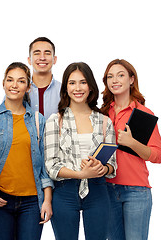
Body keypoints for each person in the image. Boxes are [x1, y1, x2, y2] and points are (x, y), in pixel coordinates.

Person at [44, 62, 117, 240]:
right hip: (65, 191)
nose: (78, 88)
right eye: (72, 83)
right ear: (65, 88)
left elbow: (113, 165)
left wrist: (102, 168)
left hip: (98, 191)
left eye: (83, 82)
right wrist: (81, 173)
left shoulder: (104, 121)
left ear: (91, 87)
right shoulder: (55, 121)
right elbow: (51, 166)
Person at [0, 62, 53, 240]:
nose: (14, 85)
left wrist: (47, 200)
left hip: (32, 202)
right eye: (10, 80)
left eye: (21, 81)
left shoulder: (38, 120)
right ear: (3, 83)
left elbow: (45, 166)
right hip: (0, 199)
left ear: (28, 87)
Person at [101, 59, 161, 240]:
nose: (115, 80)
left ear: (131, 79)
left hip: (136, 191)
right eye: (110, 76)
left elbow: (159, 155)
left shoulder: (143, 113)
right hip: (106, 188)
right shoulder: (102, 113)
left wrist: (132, 143)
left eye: (120, 75)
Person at [27, 37, 61, 119]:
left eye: (47, 53)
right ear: (29, 60)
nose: (42, 58)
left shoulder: (64, 90)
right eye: (37, 53)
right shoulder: (19, 89)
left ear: (54, 59)